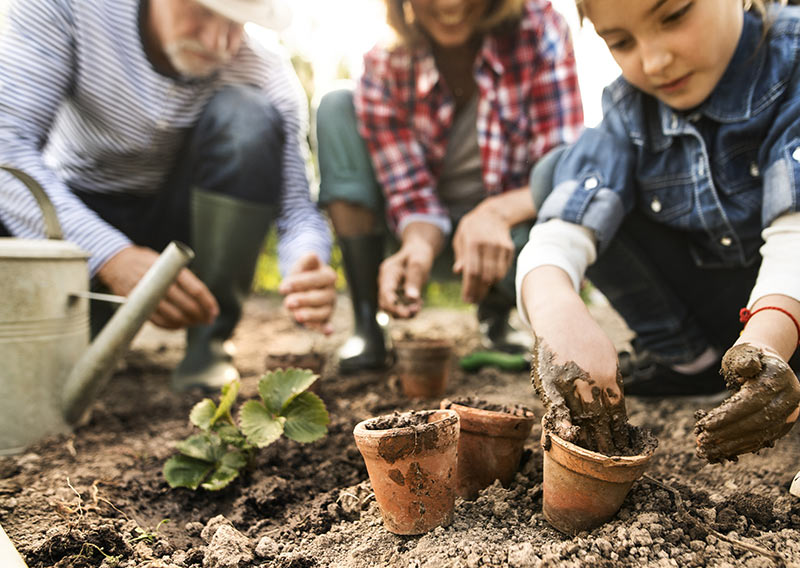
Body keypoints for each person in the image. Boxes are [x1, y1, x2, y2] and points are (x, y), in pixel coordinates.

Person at [0, 0, 337, 392]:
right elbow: (7, 147)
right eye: (205, 11)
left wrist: (305, 264)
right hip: (75, 217)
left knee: (248, 115)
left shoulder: (263, 69)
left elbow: (296, 211)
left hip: (183, 228)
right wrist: (110, 255)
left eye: (237, 23)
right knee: (45, 368)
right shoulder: (67, 8)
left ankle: (208, 344)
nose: (218, 42)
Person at [517, 0, 800, 462]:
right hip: (722, 309)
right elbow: (563, 226)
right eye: (621, 42)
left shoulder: (792, 55)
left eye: (673, 16)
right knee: (557, 174)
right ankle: (690, 363)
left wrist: (766, 344)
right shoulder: (629, 107)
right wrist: (557, 314)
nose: (653, 62)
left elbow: (795, 238)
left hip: (786, 309)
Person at [315, 0, 584, 373]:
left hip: (512, 236)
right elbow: (410, 193)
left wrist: (494, 214)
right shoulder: (384, 63)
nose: (450, 2)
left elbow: (562, 169)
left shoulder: (540, 28)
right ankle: (366, 320)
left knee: (570, 211)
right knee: (336, 105)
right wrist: (419, 244)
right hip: (427, 239)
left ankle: (498, 313)